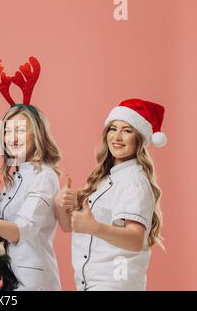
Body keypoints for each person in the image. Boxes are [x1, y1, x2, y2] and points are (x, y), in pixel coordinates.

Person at [55, 98, 166, 290]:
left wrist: (94, 227)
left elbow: (135, 239)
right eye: (113, 128)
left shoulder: (134, 181)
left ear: (139, 138)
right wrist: (61, 202)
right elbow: (70, 227)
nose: (117, 137)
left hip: (115, 283)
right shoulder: (106, 179)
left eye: (127, 130)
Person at [0, 57, 62, 290]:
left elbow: (23, 229)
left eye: (20, 130)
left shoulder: (44, 177)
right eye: (7, 131)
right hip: (12, 279)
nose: (12, 138)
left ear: (38, 135)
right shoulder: (14, 179)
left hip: (34, 282)